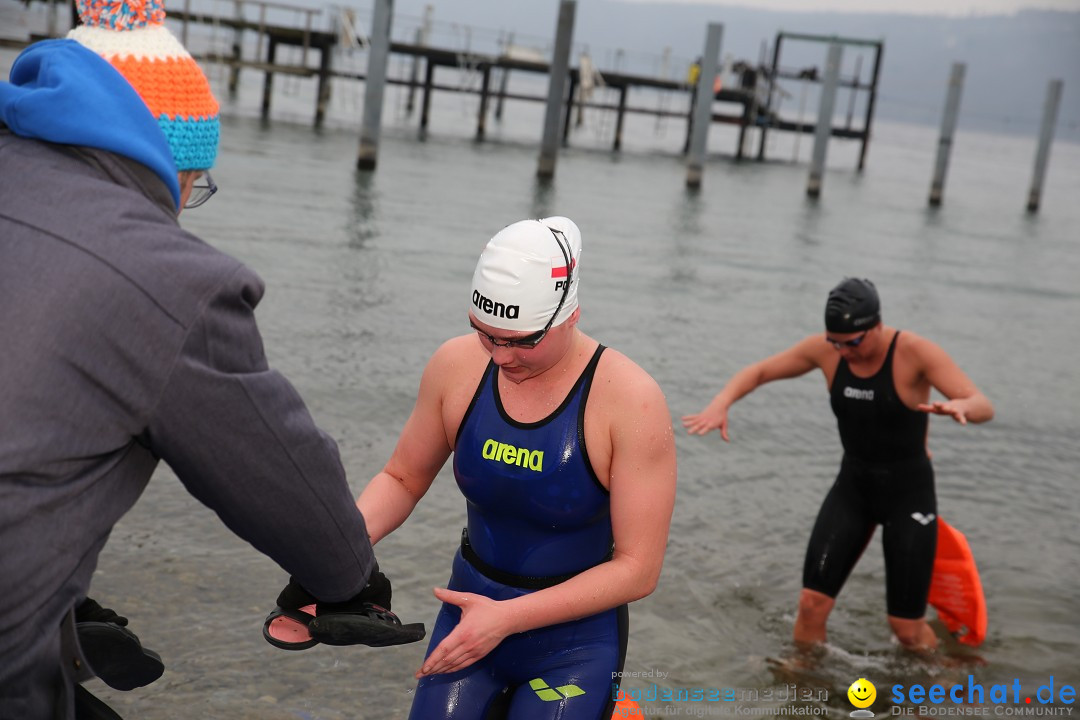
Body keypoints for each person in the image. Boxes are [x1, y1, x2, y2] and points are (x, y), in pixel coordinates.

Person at [0, 1, 419, 717]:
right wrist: (347, 577)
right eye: (196, 187)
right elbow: (274, 463)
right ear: (171, 164)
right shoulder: (165, 276)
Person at [355, 217, 677, 718]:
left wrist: (507, 618)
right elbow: (401, 479)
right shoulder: (456, 367)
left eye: (522, 341)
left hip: (575, 645)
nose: (502, 357)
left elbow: (639, 569)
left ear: (569, 314)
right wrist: (331, 555)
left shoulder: (629, 401)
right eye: (486, 335)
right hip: (469, 615)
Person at [682, 278, 993, 652]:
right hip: (854, 488)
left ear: (876, 325)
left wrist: (962, 407)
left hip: (908, 494)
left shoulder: (914, 352)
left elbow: (982, 405)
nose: (844, 352)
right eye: (836, 343)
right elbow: (761, 371)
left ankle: (941, 684)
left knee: (906, 629)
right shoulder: (826, 351)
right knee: (811, 605)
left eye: (854, 342)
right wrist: (722, 402)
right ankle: (802, 685)